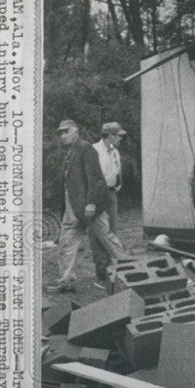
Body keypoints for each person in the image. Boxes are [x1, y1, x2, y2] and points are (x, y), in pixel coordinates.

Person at [54, 119, 129, 292]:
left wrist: (91, 203)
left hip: (89, 207)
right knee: (66, 244)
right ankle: (65, 281)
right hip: (73, 207)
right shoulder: (70, 151)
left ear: (76, 132)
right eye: (61, 133)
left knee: (108, 239)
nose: (63, 136)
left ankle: (132, 271)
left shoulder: (86, 148)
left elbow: (96, 179)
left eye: (66, 132)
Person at [91, 121, 126, 282]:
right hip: (98, 193)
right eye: (118, 136)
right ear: (110, 135)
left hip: (111, 192)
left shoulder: (115, 152)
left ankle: (114, 266)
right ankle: (102, 268)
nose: (120, 139)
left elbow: (116, 173)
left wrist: (116, 188)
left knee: (112, 229)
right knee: (99, 232)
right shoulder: (94, 150)